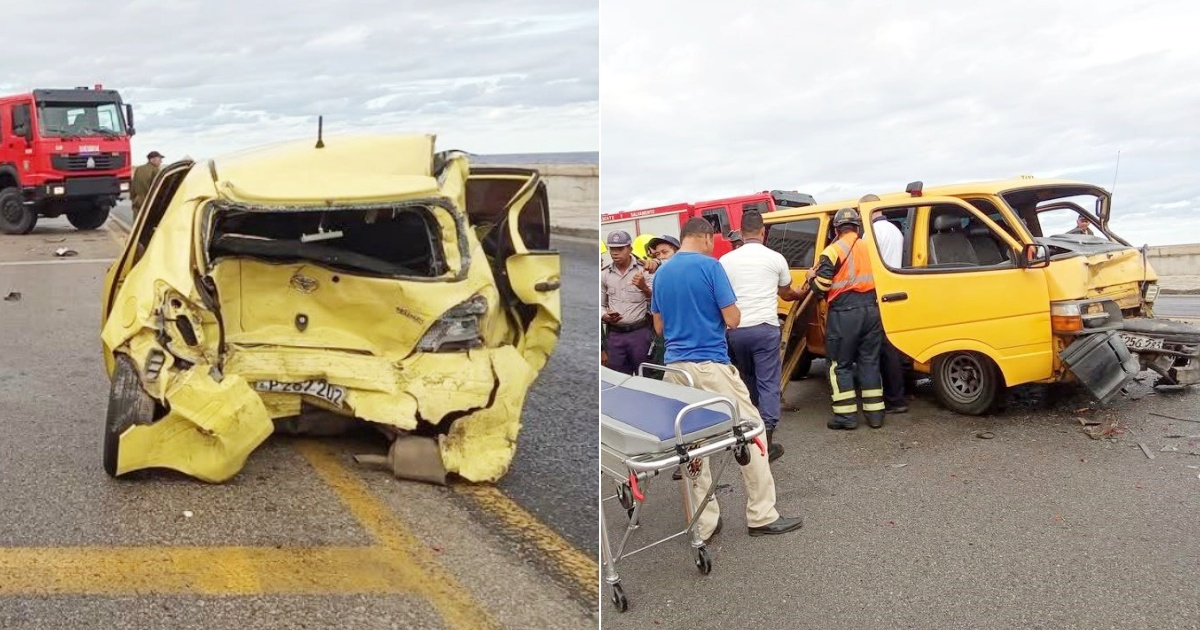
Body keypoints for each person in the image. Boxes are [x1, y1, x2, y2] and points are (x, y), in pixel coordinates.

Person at [651, 217, 804, 540]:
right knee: (752, 432)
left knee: (692, 447)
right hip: (710, 365)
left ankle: (705, 524)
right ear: (706, 238)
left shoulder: (662, 272)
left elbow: (658, 327)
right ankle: (761, 514)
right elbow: (733, 318)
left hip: (675, 369)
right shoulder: (710, 267)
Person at [719, 211, 808, 462]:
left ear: (741, 231)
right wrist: (802, 291)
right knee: (768, 381)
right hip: (765, 329)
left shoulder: (725, 260)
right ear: (762, 231)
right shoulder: (776, 258)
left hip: (735, 330)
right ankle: (766, 438)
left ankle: (747, 428)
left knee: (746, 379)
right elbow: (787, 293)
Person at [808, 207, 886, 430]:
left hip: (844, 313)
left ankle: (846, 416)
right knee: (869, 362)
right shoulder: (870, 248)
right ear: (857, 226)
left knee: (838, 364)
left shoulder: (833, 250)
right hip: (871, 310)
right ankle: (875, 415)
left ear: (837, 228)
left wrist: (811, 278)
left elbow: (821, 286)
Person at [867, 207, 908, 414]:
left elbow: (864, 264)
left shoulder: (871, 232)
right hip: (897, 291)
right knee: (895, 347)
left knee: (881, 351)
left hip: (878, 295)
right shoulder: (895, 229)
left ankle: (894, 399)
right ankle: (901, 392)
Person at [601, 230, 653, 375]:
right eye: (612, 249)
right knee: (618, 380)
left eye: (620, 248)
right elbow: (600, 305)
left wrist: (643, 287)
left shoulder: (644, 271)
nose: (615, 253)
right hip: (615, 335)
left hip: (640, 334)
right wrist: (605, 315)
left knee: (646, 378)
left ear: (629, 249)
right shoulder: (604, 274)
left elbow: (656, 302)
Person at [131, 151, 164, 217]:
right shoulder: (156, 170)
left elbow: (133, 186)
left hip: (137, 201)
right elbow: (159, 188)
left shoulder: (139, 169)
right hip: (149, 202)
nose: (161, 162)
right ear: (152, 160)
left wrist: (133, 199)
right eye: (159, 159)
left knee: (137, 223)